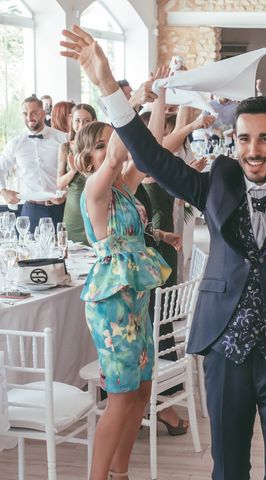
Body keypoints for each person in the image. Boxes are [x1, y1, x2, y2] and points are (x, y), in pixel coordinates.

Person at [61, 24, 266, 479]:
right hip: (224, 349)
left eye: (265, 139)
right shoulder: (216, 184)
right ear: (235, 140)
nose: (254, 150)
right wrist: (109, 86)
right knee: (227, 468)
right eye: (245, 139)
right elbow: (151, 158)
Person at [74, 121, 170, 479]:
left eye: (106, 144)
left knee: (142, 389)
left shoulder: (124, 190)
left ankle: (121, 473)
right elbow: (117, 155)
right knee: (120, 396)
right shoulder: (95, 192)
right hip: (111, 304)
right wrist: (125, 105)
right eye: (97, 146)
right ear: (86, 160)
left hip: (136, 300)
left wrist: (157, 96)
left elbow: (150, 145)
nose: (107, 150)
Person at [0, 95, 67, 229]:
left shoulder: (62, 138)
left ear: (43, 113)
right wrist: (3, 191)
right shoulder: (16, 143)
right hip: (30, 210)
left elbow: (76, 172)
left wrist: (67, 193)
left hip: (61, 208)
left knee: (64, 248)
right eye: (25, 113)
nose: (29, 117)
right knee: (29, 249)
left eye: (34, 113)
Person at [57, 103, 97, 245]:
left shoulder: (99, 146)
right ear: (71, 121)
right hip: (73, 213)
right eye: (77, 120)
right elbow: (60, 184)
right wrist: (73, 170)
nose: (81, 125)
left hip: (96, 209)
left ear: (94, 121)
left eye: (87, 121)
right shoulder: (65, 147)